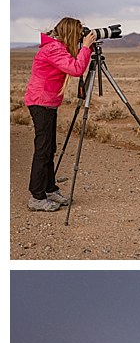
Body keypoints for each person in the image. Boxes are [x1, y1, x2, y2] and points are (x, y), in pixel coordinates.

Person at [23, 17, 95, 212]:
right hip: (41, 102)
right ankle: (37, 197)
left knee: (49, 148)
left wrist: (85, 48)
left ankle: (49, 189)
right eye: (79, 33)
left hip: (47, 103)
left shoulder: (56, 47)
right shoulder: (53, 49)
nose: (81, 37)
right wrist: (86, 47)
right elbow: (76, 69)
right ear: (71, 33)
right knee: (43, 149)